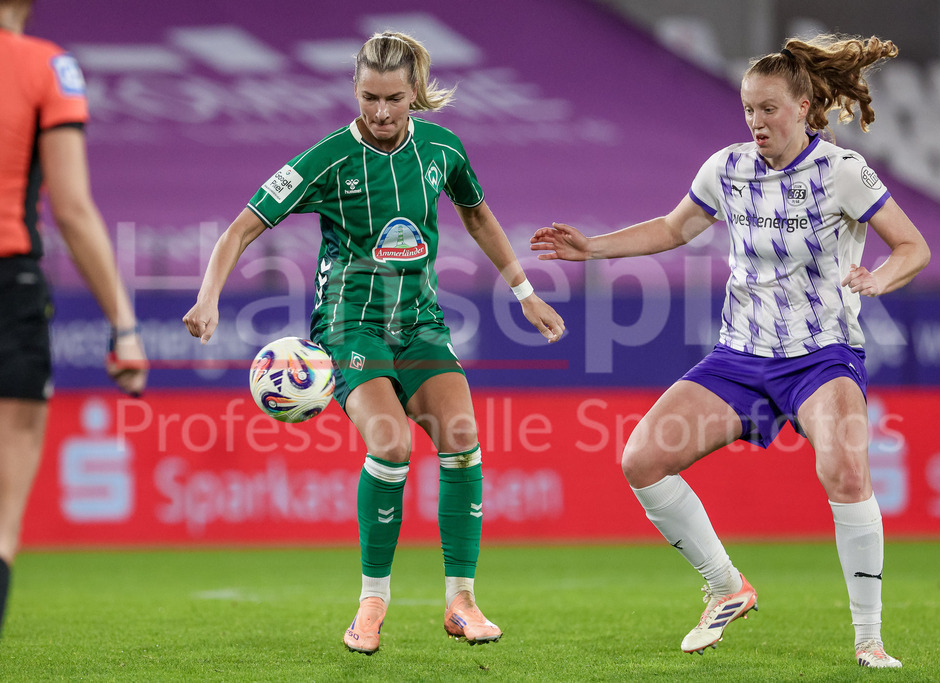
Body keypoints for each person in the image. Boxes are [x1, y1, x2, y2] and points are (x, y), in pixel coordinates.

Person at [532, 34, 929, 668]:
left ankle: (869, 640)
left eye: (769, 108)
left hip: (821, 355)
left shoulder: (844, 172)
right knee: (641, 459)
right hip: (739, 356)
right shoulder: (727, 168)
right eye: (748, 109)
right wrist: (592, 249)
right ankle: (726, 586)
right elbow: (672, 228)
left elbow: (913, 247)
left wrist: (879, 278)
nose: (756, 121)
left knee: (845, 470)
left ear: (803, 107)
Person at [183, 31, 565, 655]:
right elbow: (241, 228)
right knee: (389, 441)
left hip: (420, 321)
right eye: (368, 97)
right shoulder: (327, 159)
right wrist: (209, 296)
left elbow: (476, 213)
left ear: (413, 90)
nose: (381, 112)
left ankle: (461, 601)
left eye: (392, 98)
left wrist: (525, 293)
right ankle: (372, 602)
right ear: (354, 90)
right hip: (348, 326)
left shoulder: (442, 147)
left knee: (462, 437)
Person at [0, 0, 148, 635]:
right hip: (8, 281)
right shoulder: (45, 66)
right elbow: (71, 208)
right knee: (1, 515)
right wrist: (125, 324)